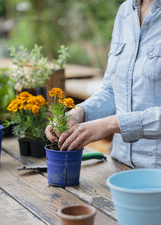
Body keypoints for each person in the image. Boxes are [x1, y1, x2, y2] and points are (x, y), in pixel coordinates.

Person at [45, 0, 161, 168]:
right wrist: (79, 113)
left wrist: (110, 125)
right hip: (120, 166)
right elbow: (113, 92)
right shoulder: (125, 11)